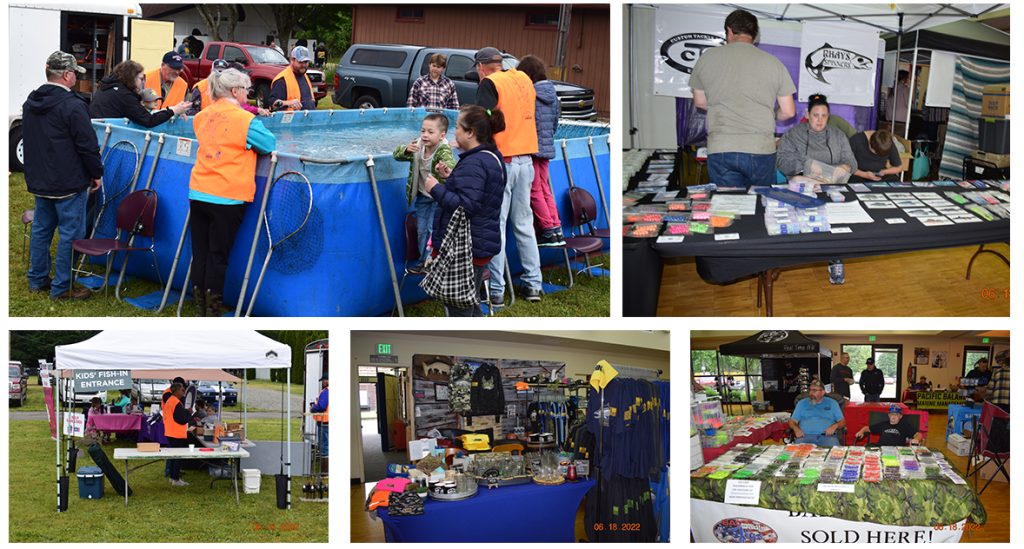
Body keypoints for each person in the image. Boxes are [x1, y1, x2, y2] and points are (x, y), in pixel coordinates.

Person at [189, 68, 277, 317]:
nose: (248, 94)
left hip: (198, 192)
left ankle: (199, 310)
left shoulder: (202, 116)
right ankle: (213, 314)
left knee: (201, 255)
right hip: (228, 196)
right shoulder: (245, 120)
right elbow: (269, 144)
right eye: (246, 90)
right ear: (235, 91)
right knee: (218, 257)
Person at [23, 51, 104, 302]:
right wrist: (97, 173)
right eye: (75, 74)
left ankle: (37, 279)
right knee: (70, 234)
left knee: (41, 230)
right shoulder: (73, 104)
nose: (76, 79)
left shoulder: (30, 101)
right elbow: (87, 145)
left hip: (40, 179)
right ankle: (61, 288)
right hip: (68, 181)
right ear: (67, 74)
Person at [689, 9, 796, 188]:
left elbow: (700, 102)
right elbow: (788, 111)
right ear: (755, 35)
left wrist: (726, 106)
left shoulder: (706, 58)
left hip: (721, 147)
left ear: (729, 31)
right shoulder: (774, 63)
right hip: (759, 148)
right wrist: (770, 111)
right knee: (760, 205)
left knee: (728, 208)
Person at [474, 46, 544, 306]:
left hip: (502, 161)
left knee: (497, 226)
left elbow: (481, 122)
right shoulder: (523, 78)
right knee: (524, 225)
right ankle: (533, 285)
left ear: (481, 67)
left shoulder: (490, 82)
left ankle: (496, 290)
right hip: (527, 160)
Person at [425, 105, 508, 316]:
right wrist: (452, 177)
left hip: (465, 250)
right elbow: (481, 193)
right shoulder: (492, 156)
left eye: (458, 127)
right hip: (480, 244)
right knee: (469, 303)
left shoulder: (474, 162)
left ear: (470, 132)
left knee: (458, 310)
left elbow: (465, 206)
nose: (455, 131)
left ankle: (463, 349)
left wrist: (435, 189)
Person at [776, 94, 857, 285]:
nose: (819, 120)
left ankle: (836, 259)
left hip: (831, 188)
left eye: (824, 116)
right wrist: (806, 167)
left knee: (837, 223)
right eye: (815, 115)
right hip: (803, 187)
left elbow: (852, 161)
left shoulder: (838, 136)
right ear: (807, 114)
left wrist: (846, 168)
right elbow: (781, 161)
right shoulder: (793, 135)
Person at [393, 112, 457, 273]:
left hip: (437, 198)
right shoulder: (418, 145)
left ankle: (433, 262)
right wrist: (406, 150)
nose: (425, 135)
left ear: (442, 135)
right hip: (422, 197)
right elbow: (396, 154)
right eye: (423, 131)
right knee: (421, 230)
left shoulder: (443, 150)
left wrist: (446, 168)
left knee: (432, 228)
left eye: (430, 132)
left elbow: (451, 162)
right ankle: (423, 262)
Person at [516, 55, 565, 247]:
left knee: (534, 190)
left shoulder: (531, 94)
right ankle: (556, 229)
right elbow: (555, 123)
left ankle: (546, 230)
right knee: (545, 189)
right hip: (547, 147)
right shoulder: (552, 93)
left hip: (532, 148)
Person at [90, 60, 190, 127]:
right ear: (131, 78)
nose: (142, 82)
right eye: (141, 78)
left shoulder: (108, 87)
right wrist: (174, 111)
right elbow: (148, 120)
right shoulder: (124, 95)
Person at [187, 60, 270, 117]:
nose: (219, 74)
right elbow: (192, 113)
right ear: (211, 71)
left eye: (222, 72)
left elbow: (243, 107)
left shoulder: (232, 88)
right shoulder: (200, 87)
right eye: (217, 71)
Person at [789, 380, 844, 447]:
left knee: (836, 453)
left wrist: (835, 426)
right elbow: (792, 421)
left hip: (828, 437)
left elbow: (842, 422)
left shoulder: (832, 403)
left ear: (822, 392)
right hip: (805, 437)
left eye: (814, 390)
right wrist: (796, 428)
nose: (811, 393)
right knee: (797, 453)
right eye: (810, 390)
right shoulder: (802, 403)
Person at [163, 382, 198, 485]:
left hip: (170, 431)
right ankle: (176, 479)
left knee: (173, 456)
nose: (184, 392)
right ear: (177, 391)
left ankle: (173, 477)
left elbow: (176, 415)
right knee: (177, 456)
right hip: (176, 433)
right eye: (183, 390)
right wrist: (189, 413)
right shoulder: (176, 402)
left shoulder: (170, 401)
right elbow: (181, 419)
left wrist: (185, 412)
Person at [269, 46, 316, 112]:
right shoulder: (282, 79)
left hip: (309, 119)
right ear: (292, 60)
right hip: (290, 120)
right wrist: (289, 103)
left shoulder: (304, 75)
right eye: (300, 62)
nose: (303, 65)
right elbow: (273, 104)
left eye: (306, 62)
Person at [855, 405, 922, 446]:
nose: (894, 415)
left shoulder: (904, 426)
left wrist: (916, 439)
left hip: (896, 451)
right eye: (891, 413)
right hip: (880, 449)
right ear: (888, 415)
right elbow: (867, 428)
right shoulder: (883, 424)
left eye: (897, 414)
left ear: (901, 416)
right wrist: (861, 431)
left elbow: (919, 435)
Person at [310, 372, 329, 473]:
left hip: (324, 422)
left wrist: (313, 408)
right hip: (328, 422)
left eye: (323, 380)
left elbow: (322, 407)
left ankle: (324, 471)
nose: (322, 382)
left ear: (326, 381)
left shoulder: (326, 391)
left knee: (324, 446)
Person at [886, 70, 911, 135]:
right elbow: (908, 103)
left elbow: (888, 104)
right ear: (903, 79)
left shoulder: (891, 88)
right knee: (899, 138)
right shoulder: (905, 89)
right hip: (901, 118)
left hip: (890, 117)